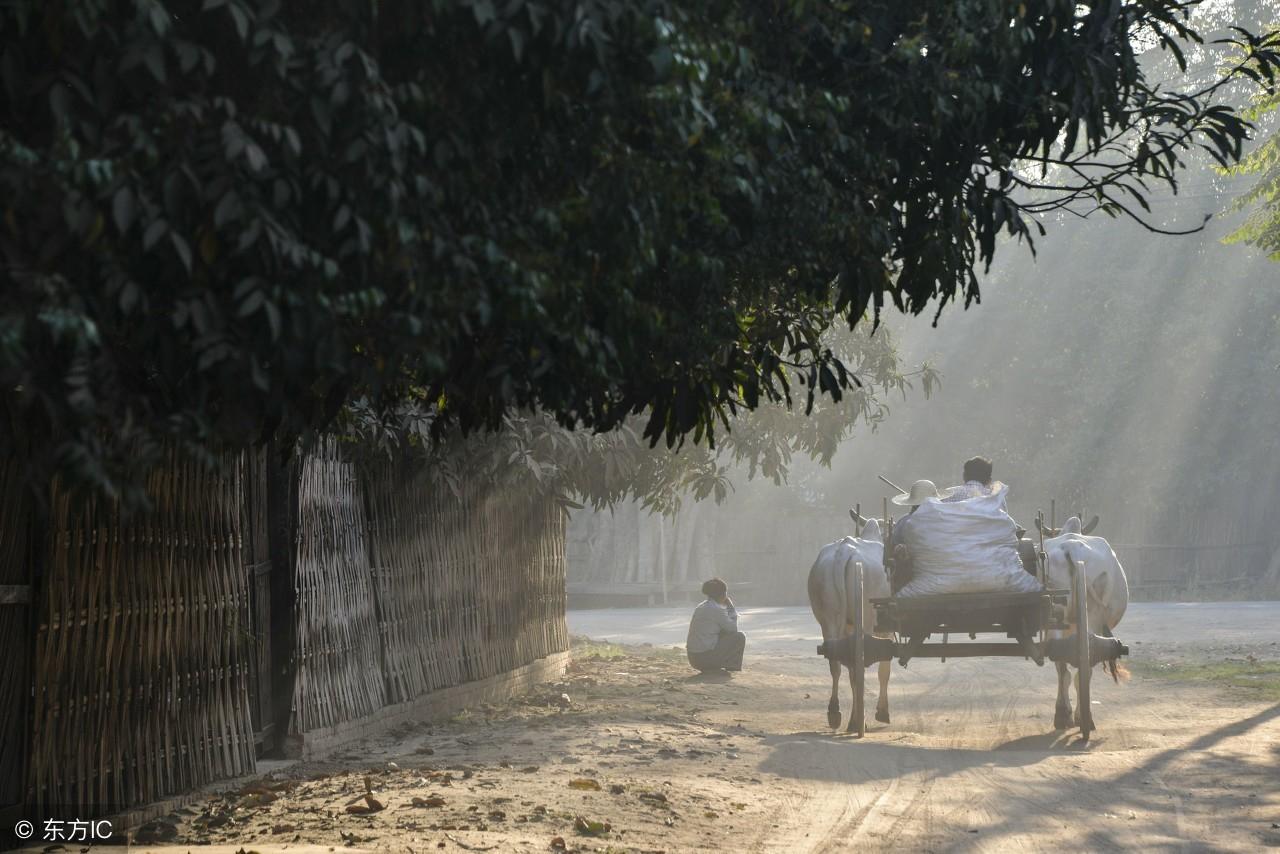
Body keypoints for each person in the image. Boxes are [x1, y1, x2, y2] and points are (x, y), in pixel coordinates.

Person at [686, 578, 746, 673]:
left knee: (723, 632)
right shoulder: (716, 610)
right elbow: (733, 629)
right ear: (723, 594)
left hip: (693, 659)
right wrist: (731, 608)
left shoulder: (701, 606)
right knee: (739, 637)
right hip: (703, 659)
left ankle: (719, 665)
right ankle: (732, 666)